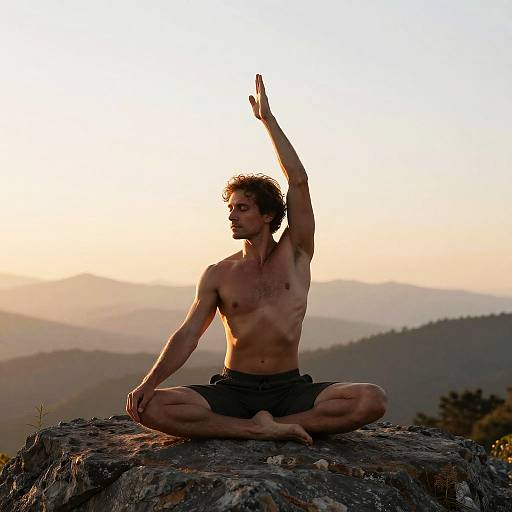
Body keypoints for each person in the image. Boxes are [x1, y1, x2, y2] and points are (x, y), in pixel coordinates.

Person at [126, 74, 387, 445]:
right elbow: (188, 335)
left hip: (288, 389)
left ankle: (283, 422)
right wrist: (148, 384)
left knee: (371, 399)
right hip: (234, 388)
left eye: (242, 208)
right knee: (149, 408)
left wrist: (268, 121)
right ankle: (255, 429)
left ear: (267, 215)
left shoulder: (296, 253)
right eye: (230, 209)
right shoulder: (219, 273)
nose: (232, 216)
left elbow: (298, 181)